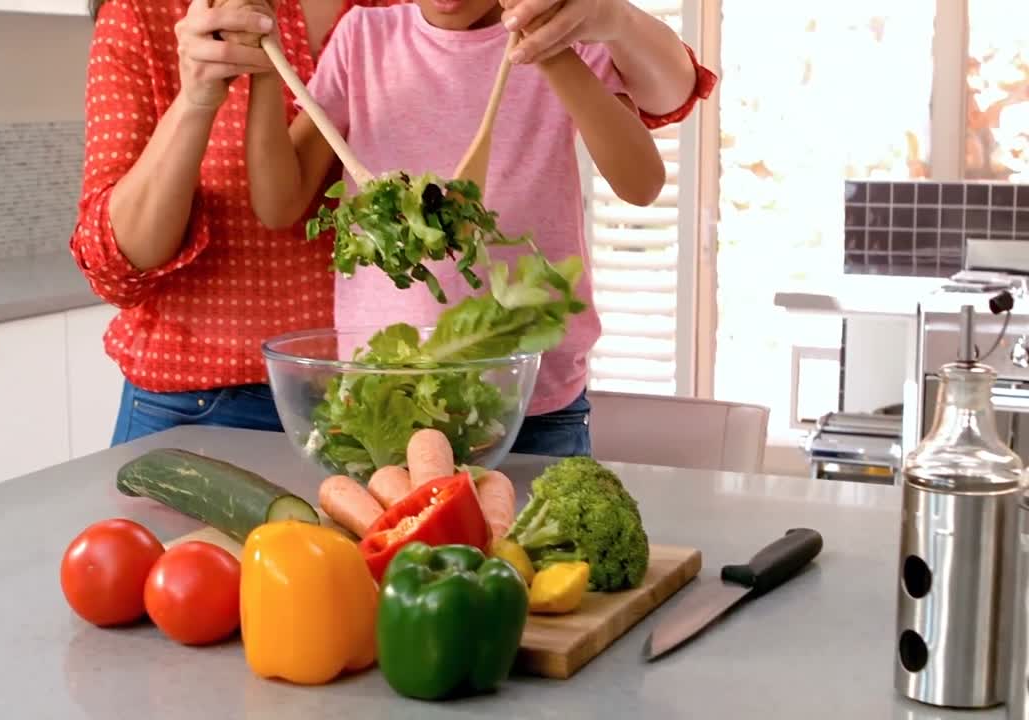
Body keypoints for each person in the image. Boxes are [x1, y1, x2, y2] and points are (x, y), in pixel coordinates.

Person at [70, 0, 717, 448]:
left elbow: (645, 172)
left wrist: (553, 45)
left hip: (530, 400)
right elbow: (279, 203)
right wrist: (258, 79)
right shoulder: (368, 38)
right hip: (369, 400)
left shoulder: (566, 35)